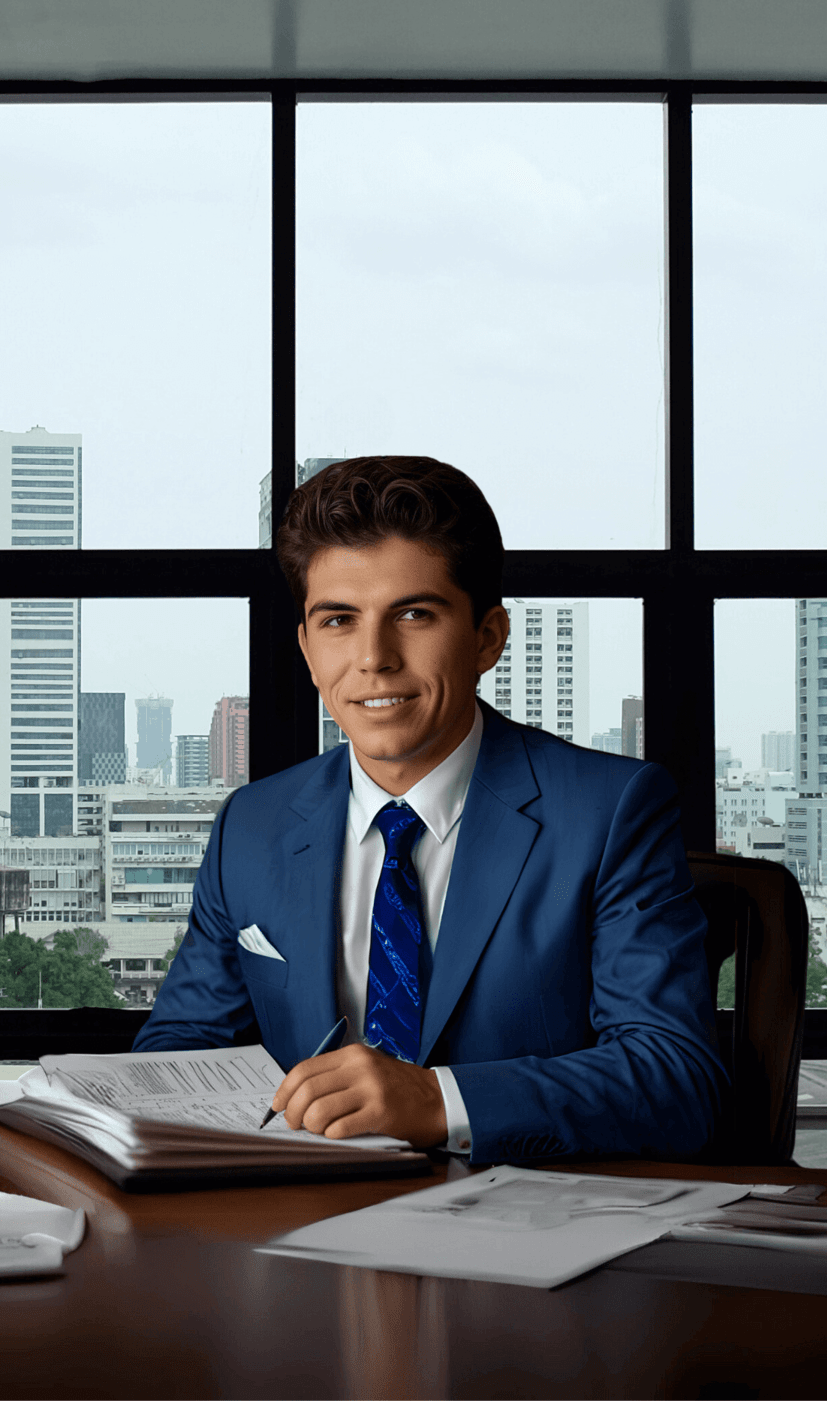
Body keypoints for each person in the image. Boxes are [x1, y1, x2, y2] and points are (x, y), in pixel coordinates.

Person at [133, 456, 727, 1164]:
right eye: (338, 621)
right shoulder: (252, 826)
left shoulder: (610, 811)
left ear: (487, 638)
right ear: (306, 648)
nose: (374, 658)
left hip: (534, 1235)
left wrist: (435, 1100)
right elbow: (178, 1054)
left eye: (413, 614)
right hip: (302, 1229)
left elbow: (677, 1080)